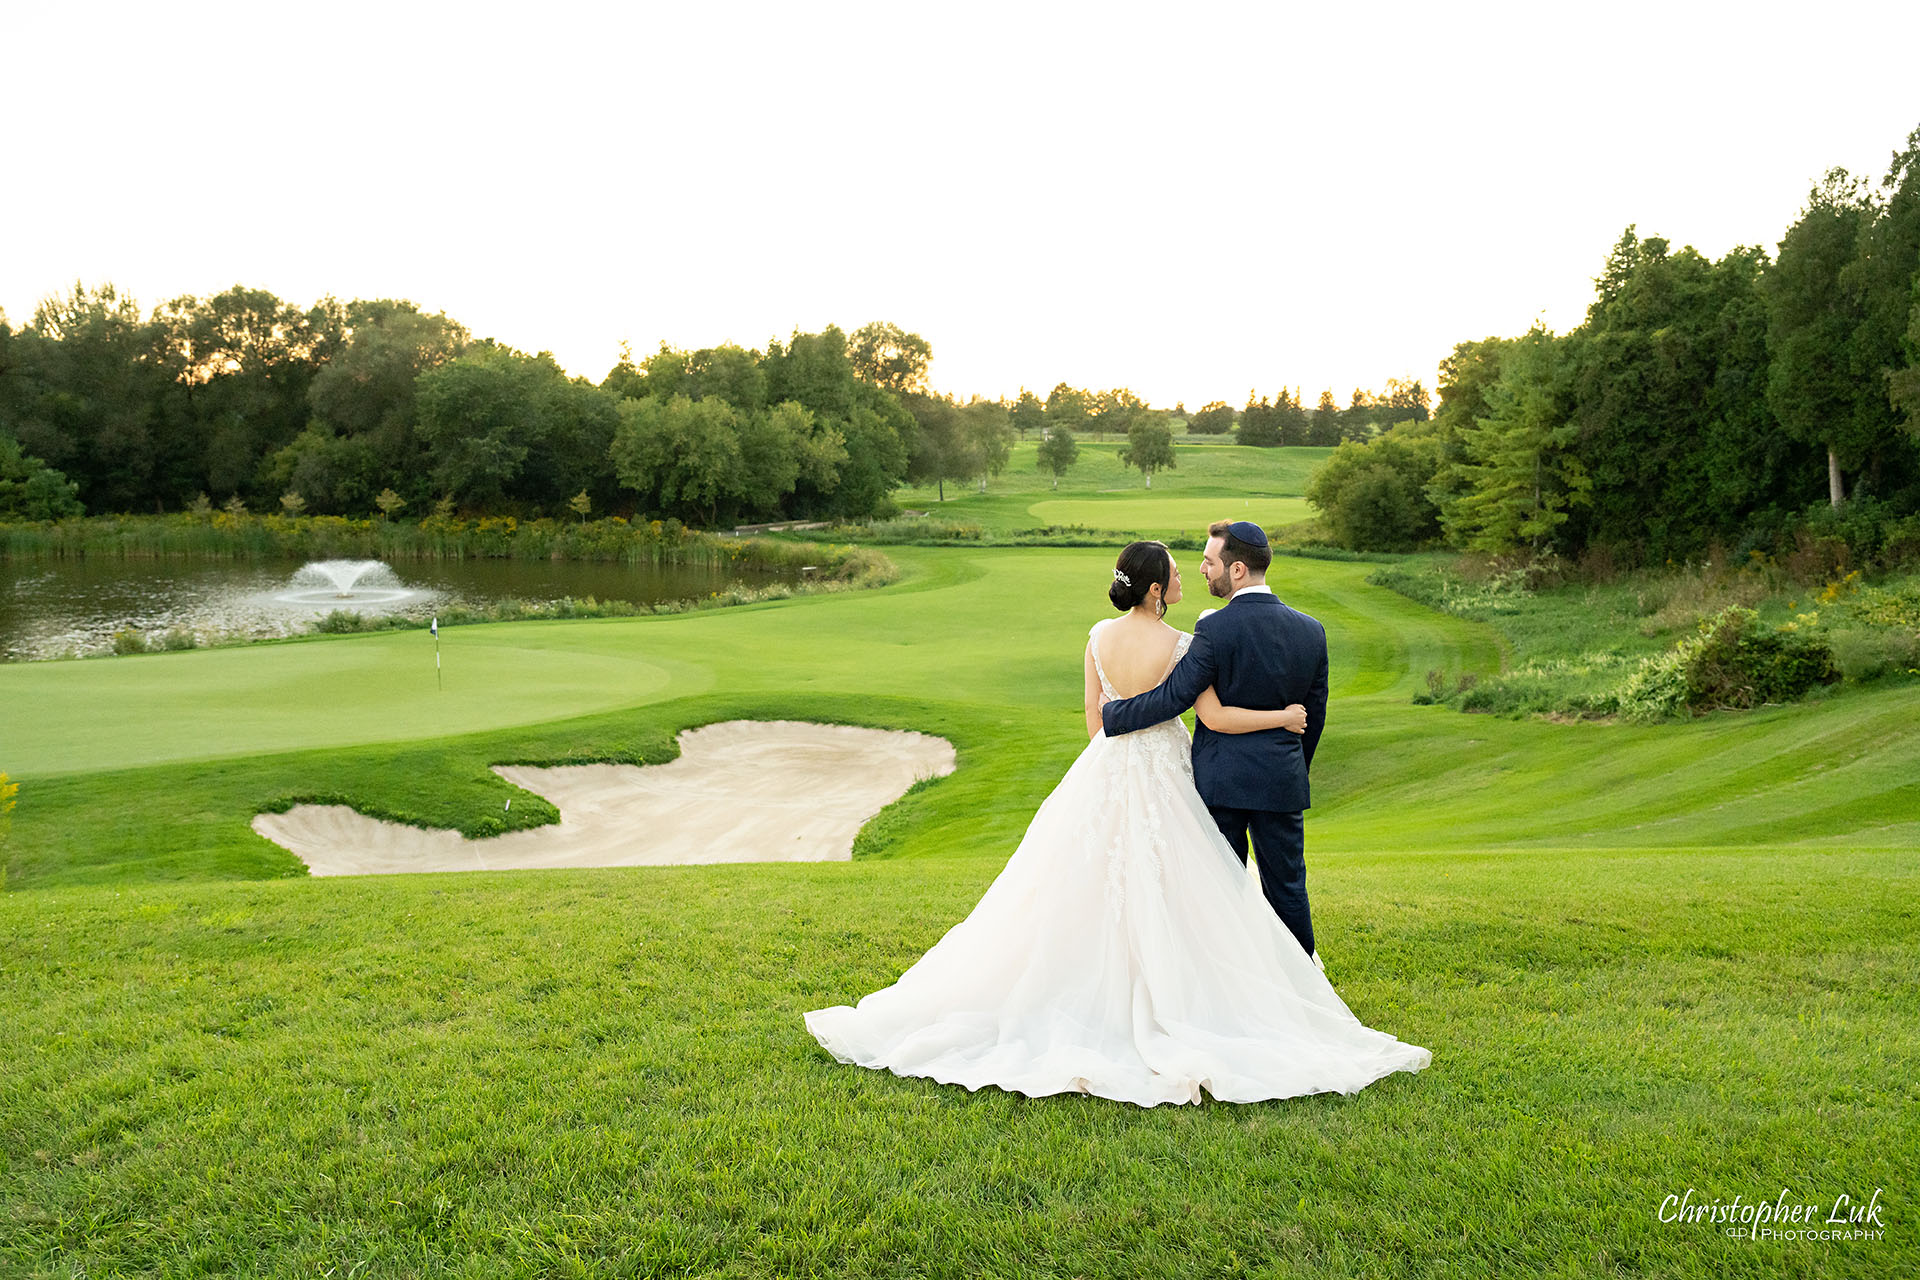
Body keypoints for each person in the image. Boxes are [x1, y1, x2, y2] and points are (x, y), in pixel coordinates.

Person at [803, 540, 1430, 1106]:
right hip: (1166, 767)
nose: (1191, 575)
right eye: (1180, 572)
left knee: (1079, 881)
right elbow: (1205, 713)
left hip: (1104, 767)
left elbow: (1093, 719)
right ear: (1157, 589)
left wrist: (1115, 732)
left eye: (1201, 565)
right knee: (1194, 884)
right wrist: (1279, 721)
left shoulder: (1098, 635)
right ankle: (1239, 990)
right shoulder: (1187, 642)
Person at [1103, 520, 1324, 960]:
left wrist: (1114, 715)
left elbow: (1174, 696)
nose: (1203, 569)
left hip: (1221, 782)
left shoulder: (1215, 630)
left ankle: (1228, 981)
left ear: (1237, 569)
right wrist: (1291, 766)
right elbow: (1312, 718)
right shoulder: (1311, 630)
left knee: (1219, 890)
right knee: (1288, 889)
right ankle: (1304, 988)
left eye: (1209, 562)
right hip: (1281, 778)